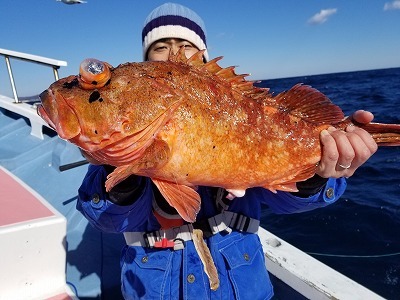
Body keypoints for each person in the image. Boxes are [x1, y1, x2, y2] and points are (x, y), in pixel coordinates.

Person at [77, 3, 378, 299]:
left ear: (205, 56)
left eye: (185, 44)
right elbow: (108, 220)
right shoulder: (121, 143)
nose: (173, 53)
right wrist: (119, 169)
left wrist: (318, 174)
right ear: (146, 65)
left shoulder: (231, 107)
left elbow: (286, 201)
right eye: (160, 47)